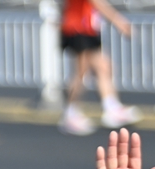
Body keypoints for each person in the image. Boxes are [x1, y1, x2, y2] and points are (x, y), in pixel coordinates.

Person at [58, 0, 138, 136]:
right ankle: (70, 112)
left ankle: (111, 107)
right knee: (81, 74)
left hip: (86, 27)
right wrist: (118, 21)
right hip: (78, 27)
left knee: (104, 66)